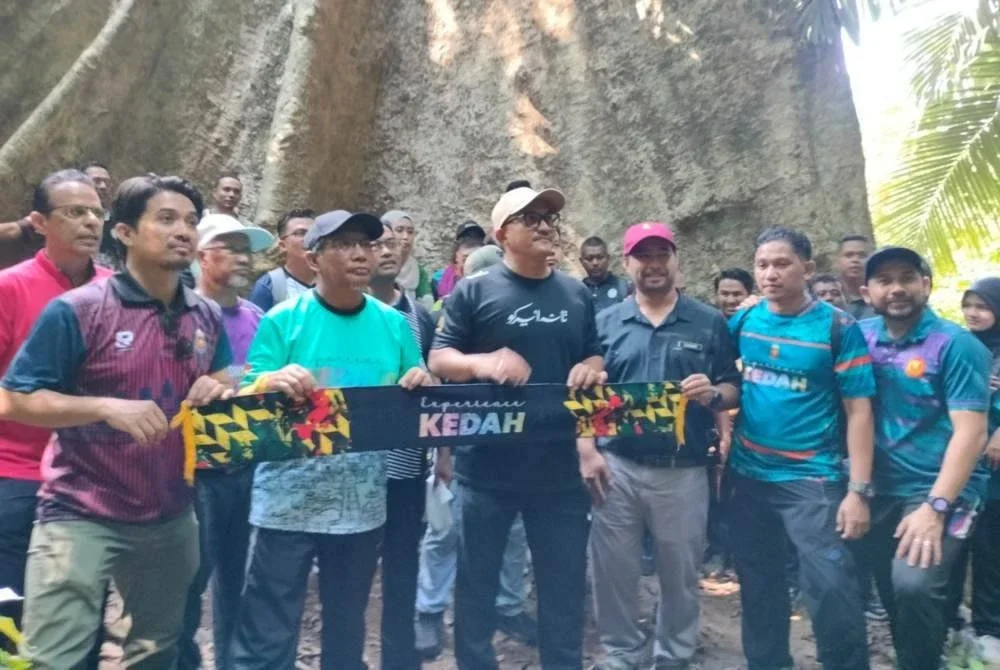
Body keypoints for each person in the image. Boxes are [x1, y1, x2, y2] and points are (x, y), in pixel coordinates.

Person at [0, 174, 234, 668]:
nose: (183, 232)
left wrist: (222, 386)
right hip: (80, 510)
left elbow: (222, 373)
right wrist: (106, 406)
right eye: (166, 219)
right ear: (124, 233)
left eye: (191, 221)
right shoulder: (79, 310)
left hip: (171, 513)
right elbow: (16, 399)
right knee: (54, 658)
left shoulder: (206, 315)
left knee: (155, 650)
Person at [230, 209, 433, 669]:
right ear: (315, 258)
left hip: (359, 504)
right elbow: (248, 390)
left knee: (347, 627)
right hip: (287, 501)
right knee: (269, 628)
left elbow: (415, 383)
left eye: (367, 244)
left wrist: (421, 379)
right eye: (344, 245)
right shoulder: (284, 319)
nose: (361, 254)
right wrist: (273, 380)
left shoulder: (393, 324)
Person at [429, 184, 605, 669]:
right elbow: (440, 358)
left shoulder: (575, 292)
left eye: (549, 217)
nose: (546, 225)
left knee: (563, 589)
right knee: (476, 587)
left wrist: (590, 367)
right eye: (531, 218)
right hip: (486, 470)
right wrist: (486, 362)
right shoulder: (473, 290)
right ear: (502, 233)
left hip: (559, 471)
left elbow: (592, 352)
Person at [586, 222, 741, 670]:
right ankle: (621, 650)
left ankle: (673, 651)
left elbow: (733, 387)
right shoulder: (605, 323)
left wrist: (713, 393)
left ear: (676, 260)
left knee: (680, 570)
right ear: (628, 263)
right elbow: (591, 392)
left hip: (684, 467)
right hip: (618, 465)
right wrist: (589, 450)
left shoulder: (708, 320)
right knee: (613, 570)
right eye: (643, 256)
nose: (653, 264)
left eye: (662, 255)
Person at [729, 226, 874, 670]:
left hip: (813, 480)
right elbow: (726, 381)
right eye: (762, 265)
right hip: (748, 475)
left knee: (831, 588)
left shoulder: (837, 327)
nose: (770, 274)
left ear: (807, 269)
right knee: (758, 586)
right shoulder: (745, 320)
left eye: (781, 263)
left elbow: (860, 411)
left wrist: (858, 490)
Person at [849, 248, 991, 670]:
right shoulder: (860, 335)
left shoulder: (956, 344)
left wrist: (936, 507)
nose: (896, 289)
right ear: (866, 290)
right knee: (894, 592)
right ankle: (929, 654)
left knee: (913, 583)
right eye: (884, 280)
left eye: (907, 277)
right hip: (878, 486)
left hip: (943, 489)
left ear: (925, 285)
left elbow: (972, 431)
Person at [415, 240, 538, 660]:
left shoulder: (521, 317)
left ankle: (509, 604)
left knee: (515, 535)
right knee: (443, 530)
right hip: (458, 443)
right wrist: (443, 454)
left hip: (512, 451)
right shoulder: (448, 319)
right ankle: (429, 608)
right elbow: (439, 391)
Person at [0, 170, 113, 617]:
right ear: (39, 222)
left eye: (96, 213)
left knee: (82, 617)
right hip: (18, 477)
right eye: (74, 212)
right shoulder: (9, 287)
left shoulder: (116, 289)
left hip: (97, 481)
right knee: (12, 621)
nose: (90, 222)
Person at [179, 214, 273, 670]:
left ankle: (233, 662)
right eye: (229, 247)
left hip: (249, 465)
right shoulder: (179, 313)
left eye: (245, 249)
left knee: (240, 577)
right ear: (201, 254)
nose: (241, 258)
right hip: (195, 471)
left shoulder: (258, 318)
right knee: (190, 578)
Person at [368, 222, 437, 670]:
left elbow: (435, 385)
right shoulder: (346, 312)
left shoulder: (421, 316)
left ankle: (398, 656)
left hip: (407, 468)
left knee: (402, 568)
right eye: (378, 244)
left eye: (395, 243)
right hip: (355, 469)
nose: (388, 251)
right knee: (349, 573)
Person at [248, 209, 316, 311]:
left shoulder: (332, 282)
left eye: (313, 233)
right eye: (300, 233)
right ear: (282, 245)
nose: (309, 238)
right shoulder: (269, 286)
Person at [381, 210, 433, 308]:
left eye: (410, 232)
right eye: (399, 230)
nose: (406, 237)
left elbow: (427, 304)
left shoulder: (417, 270)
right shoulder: (376, 267)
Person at [81, 162, 122, 271]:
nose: (103, 186)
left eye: (107, 182)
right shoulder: (70, 220)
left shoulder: (120, 219)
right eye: (97, 181)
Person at [432, 220, 487, 300]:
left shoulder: (488, 277)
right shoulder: (438, 278)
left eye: (477, 240)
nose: (472, 244)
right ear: (456, 251)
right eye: (466, 240)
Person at [581, 236, 631, 315]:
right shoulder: (577, 291)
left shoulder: (625, 288)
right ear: (581, 261)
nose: (595, 263)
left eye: (600, 258)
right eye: (589, 259)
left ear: (608, 258)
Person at [835, 234, 875, 320]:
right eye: (849, 255)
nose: (855, 260)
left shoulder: (880, 295)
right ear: (837, 261)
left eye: (862, 256)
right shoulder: (828, 295)